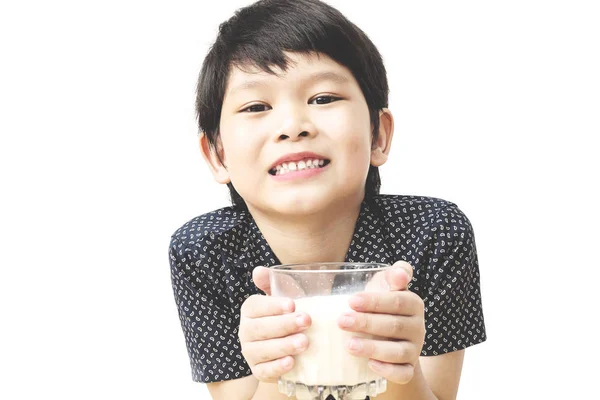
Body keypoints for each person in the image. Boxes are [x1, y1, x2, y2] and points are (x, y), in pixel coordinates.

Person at [168, 0, 486, 399]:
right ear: (218, 155)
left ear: (378, 134)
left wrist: (397, 370)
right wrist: (276, 368)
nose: (292, 127)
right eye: (256, 106)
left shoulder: (434, 234)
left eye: (322, 99)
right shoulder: (204, 251)